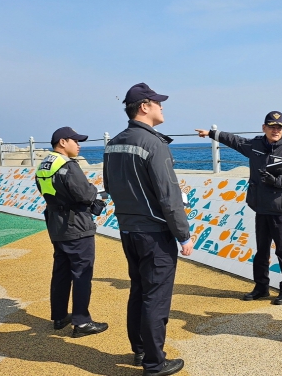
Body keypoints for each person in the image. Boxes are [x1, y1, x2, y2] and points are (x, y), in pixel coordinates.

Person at [103, 83, 194, 376]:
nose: (162, 107)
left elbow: (109, 186)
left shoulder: (113, 143)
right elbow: (169, 196)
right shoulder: (154, 144)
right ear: (144, 106)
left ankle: (140, 350)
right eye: (158, 102)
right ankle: (155, 363)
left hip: (128, 230)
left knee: (139, 290)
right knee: (156, 297)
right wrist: (184, 234)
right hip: (155, 233)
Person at [195, 111, 282, 305]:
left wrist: (278, 180)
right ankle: (261, 287)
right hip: (260, 208)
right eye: (272, 127)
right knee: (261, 251)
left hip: (279, 210)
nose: (275, 130)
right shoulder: (255, 145)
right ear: (264, 128)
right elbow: (234, 141)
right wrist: (211, 134)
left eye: (279, 127)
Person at [35, 126, 108, 338]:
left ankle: (59, 317)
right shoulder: (68, 165)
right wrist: (95, 195)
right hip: (76, 226)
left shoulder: (44, 165)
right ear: (62, 142)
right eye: (75, 141)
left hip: (56, 226)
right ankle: (82, 322)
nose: (79, 144)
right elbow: (85, 193)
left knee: (61, 272)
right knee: (82, 273)